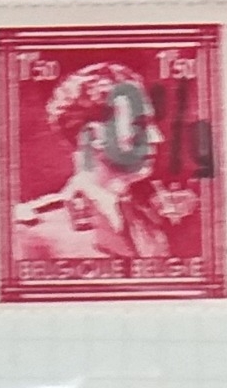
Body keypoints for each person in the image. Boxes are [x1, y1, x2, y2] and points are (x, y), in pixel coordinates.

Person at [11, 59, 192, 265]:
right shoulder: (35, 233)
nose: (156, 137)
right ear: (94, 135)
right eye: (139, 125)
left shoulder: (151, 227)